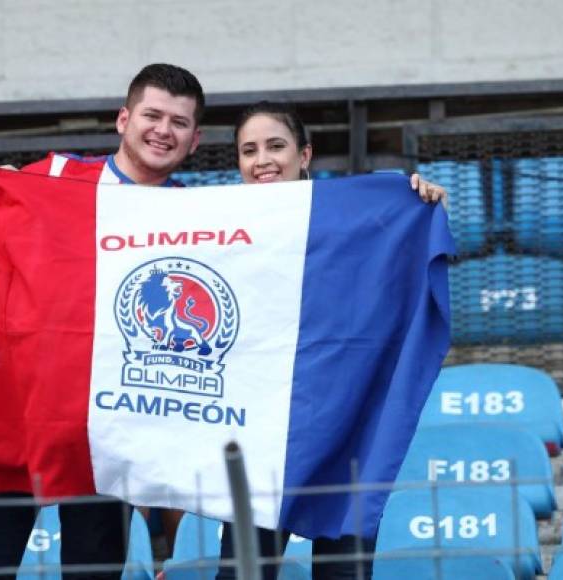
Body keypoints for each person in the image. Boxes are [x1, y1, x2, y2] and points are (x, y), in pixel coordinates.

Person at [0, 63, 204, 580]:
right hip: (20, 409)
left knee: (93, 572)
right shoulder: (53, 176)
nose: (163, 130)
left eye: (179, 122)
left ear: (194, 141)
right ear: (123, 119)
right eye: (152, 115)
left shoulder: (194, 215)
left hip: (110, 428)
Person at [217, 101, 447, 580]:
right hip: (260, 435)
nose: (263, 160)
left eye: (276, 146)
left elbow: (405, 256)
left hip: (348, 421)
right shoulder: (217, 230)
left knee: (343, 574)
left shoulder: (354, 219)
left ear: (305, 154)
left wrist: (418, 205)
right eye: (249, 150)